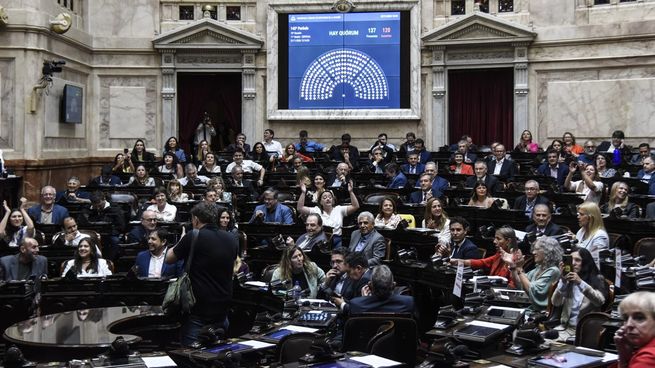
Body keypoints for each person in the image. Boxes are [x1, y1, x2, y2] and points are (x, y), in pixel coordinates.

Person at [165, 202, 238, 346]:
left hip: (198, 312)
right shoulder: (232, 239)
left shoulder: (193, 236)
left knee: (193, 357)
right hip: (223, 309)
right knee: (218, 355)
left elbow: (169, 258)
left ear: (196, 219)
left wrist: (182, 238)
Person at [551, 247, 607, 342]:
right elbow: (555, 303)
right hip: (564, 329)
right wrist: (563, 281)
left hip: (583, 331)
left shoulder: (597, 279)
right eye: (571, 259)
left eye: (577, 260)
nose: (573, 263)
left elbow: (599, 301)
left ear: (585, 263)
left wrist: (580, 282)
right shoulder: (567, 281)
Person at [503, 236, 562, 311]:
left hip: (540, 315)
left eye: (537, 249)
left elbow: (532, 290)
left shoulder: (554, 271)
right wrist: (513, 266)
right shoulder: (539, 268)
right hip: (530, 309)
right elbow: (520, 283)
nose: (533, 252)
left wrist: (519, 268)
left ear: (548, 251)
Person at [298, 181, 359, 248]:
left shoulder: (339, 209)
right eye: (324, 197)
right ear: (320, 202)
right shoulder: (316, 210)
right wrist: (303, 192)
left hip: (337, 238)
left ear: (333, 201)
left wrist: (351, 192)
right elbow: (300, 208)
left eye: (330, 197)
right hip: (321, 238)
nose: (328, 199)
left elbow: (355, 206)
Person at [450, 226, 517, 288]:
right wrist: (458, 261)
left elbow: (512, 286)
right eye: (495, 238)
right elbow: (482, 262)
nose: (494, 241)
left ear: (508, 241)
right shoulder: (499, 255)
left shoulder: (515, 260)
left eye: (498, 239)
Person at [345, 265, 414, 315]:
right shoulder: (408, 302)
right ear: (393, 285)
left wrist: (364, 299)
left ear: (369, 286)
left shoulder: (356, 304)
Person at [613, 291, 655, 368]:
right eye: (625, 318)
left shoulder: (648, 358)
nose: (629, 324)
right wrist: (624, 356)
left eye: (639, 318)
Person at [80, 191, 126, 260]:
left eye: (100, 205)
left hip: (110, 234)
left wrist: (109, 232)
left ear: (104, 199)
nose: (98, 208)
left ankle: (109, 262)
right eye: (95, 206)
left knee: (115, 241)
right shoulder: (87, 209)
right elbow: (82, 223)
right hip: (93, 234)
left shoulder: (115, 209)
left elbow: (121, 226)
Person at [573, 202, 609, 267]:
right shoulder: (581, 231)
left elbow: (596, 261)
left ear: (590, 218)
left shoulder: (600, 236)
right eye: (578, 214)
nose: (578, 217)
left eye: (581, 214)